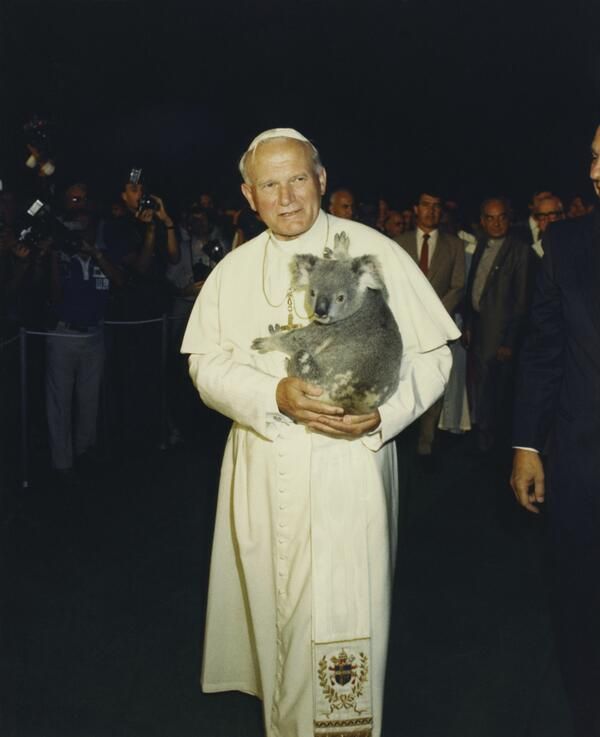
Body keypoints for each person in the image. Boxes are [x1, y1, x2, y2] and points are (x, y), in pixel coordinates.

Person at [181, 128, 459, 737]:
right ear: (249, 195)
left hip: (349, 465)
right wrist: (271, 394)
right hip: (264, 459)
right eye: (270, 184)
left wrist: (384, 414)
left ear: (322, 180)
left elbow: (435, 356)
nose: (286, 198)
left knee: (342, 616)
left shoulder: (374, 252)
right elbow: (204, 363)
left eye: (298, 179)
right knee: (276, 622)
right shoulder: (233, 269)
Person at [510, 124, 600, 737]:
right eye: (596, 157)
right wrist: (526, 445)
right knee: (581, 609)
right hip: (581, 463)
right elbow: (544, 351)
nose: (595, 172)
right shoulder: (565, 245)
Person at [395, 191, 465, 458]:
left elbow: (458, 286)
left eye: (437, 206)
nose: (431, 211)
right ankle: (401, 438)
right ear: (416, 208)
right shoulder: (397, 243)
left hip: (437, 328)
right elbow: (391, 285)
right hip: (404, 327)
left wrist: (433, 316)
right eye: (426, 205)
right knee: (402, 381)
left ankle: (427, 443)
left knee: (432, 383)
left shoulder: (454, 245)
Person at [463, 197, 529, 452]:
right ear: (482, 221)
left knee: (498, 393)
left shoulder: (520, 250)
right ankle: (483, 438)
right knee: (481, 388)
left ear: (508, 219)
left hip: (500, 337)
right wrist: (468, 324)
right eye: (490, 218)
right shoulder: (479, 246)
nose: (496, 223)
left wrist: (509, 342)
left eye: (501, 217)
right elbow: (472, 290)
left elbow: (522, 302)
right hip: (479, 330)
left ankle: (495, 448)